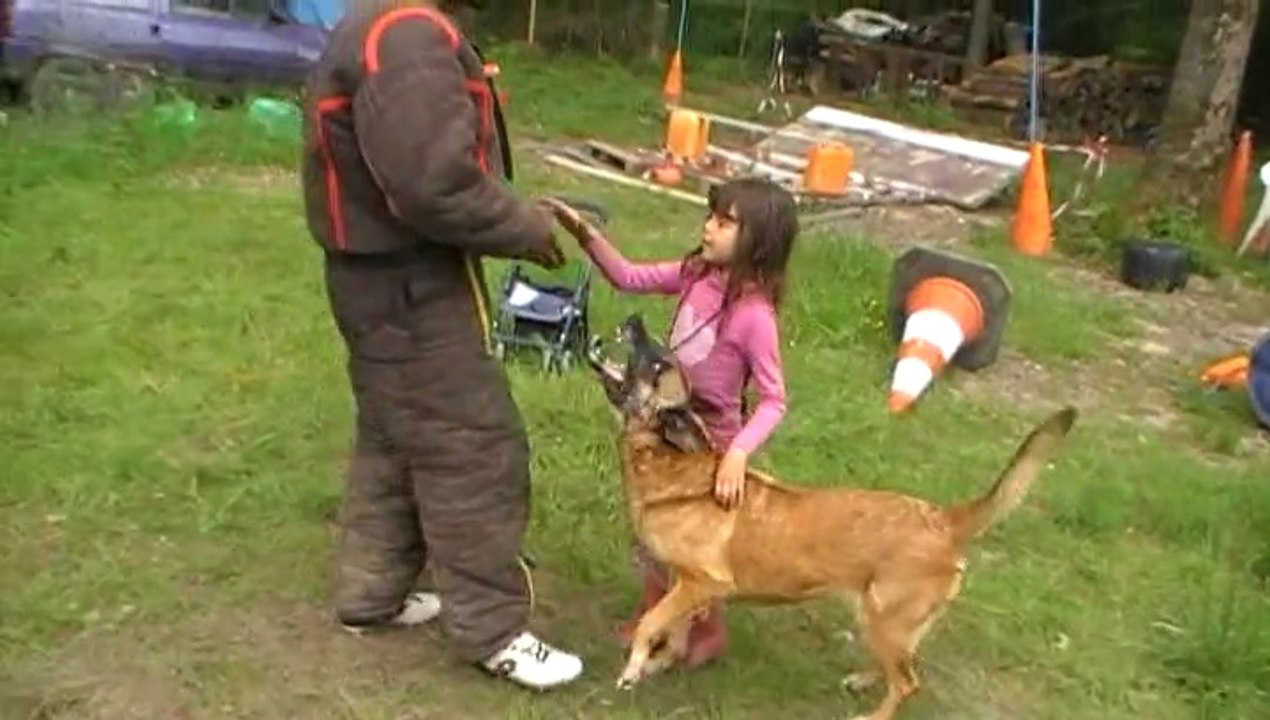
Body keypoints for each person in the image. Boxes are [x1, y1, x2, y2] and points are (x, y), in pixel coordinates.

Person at [299, 0, 583, 690]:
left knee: (398, 434)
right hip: (405, 280)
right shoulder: (406, 36)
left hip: (379, 277)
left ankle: (372, 594)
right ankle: (492, 630)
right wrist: (521, 227)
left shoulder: (383, 25)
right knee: (471, 445)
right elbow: (432, 183)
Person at [545, 177, 797, 668]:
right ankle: (654, 614)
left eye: (725, 223)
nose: (709, 227)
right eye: (711, 216)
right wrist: (582, 232)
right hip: (666, 427)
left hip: (711, 444)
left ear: (759, 242)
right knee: (656, 529)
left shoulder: (754, 317)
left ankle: (707, 631)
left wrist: (738, 456)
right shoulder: (695, 275)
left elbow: (773, 400)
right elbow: (628, 277)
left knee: (696, 546)